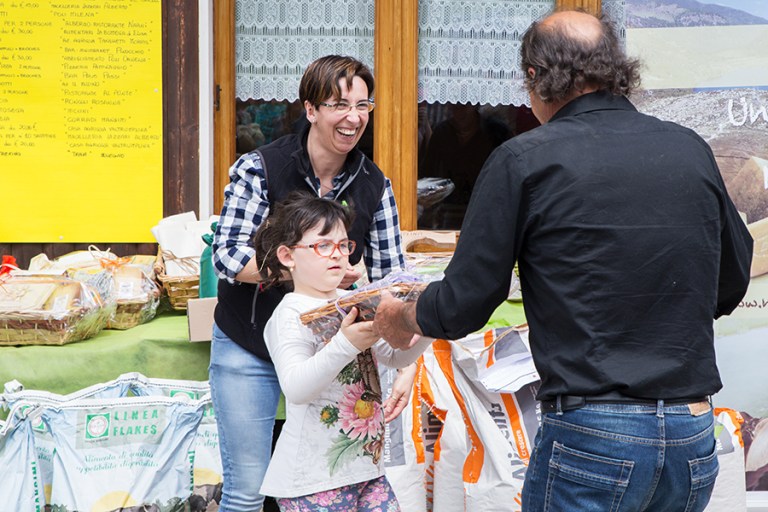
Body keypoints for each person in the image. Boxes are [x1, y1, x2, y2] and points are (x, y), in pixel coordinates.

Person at [372, 10, 753, 512]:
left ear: (535, 77)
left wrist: (400, 317)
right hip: (691, 431)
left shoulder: (525, 159)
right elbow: (731, 280)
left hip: (595, 433)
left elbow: (465, 302)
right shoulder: (688, 148)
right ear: (614, 69)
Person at [210, 55, 415, 512]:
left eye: (364, 105)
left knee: (343, 484)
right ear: (311, 110)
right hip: (250, 340)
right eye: (340, 104)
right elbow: (227, 254)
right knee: (246, 491)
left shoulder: (374, 184)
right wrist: (306, 269)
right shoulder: (260, 167)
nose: (354, 117)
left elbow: (393, 281)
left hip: (334, 352)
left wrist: (406, 367)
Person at [252, 193, 433, 511]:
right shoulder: (289, 314)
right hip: (311, 481)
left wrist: (430, 323)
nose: (336, 254)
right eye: (323, 246)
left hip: (368, 470)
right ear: (287, 256)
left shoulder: (355, 300)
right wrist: (346, 343)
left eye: (343, 244)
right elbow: (296, 388)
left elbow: (395, 357)